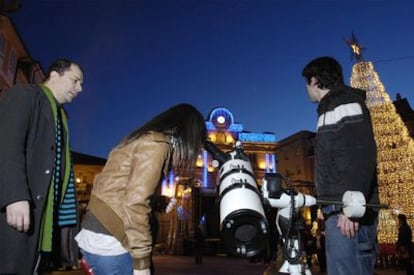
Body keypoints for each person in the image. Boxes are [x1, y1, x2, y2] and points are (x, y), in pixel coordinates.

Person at [75, 103, 207, 275]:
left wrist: (156, 202)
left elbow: (122, 188)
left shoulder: (142, 138)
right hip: (113, 240)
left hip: (99, 234)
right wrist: (142, 262)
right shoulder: (156, 145)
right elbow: (135, 203)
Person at [0, 58, 84, 274]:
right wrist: (15, 196)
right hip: (18, 209)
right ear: (54, 76)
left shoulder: (61, 116)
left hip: (44, 217)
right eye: (75, 81)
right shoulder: (24, 95)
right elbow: (6, 145)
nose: (80, 88)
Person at [301, 56, 379, 275]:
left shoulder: (343, 103)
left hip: (348, 210)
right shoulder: (332, 106)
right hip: (340, 209)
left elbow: (361, 151)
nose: (306, 89)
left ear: (315, 80)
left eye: (306, 83)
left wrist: (351, 207)